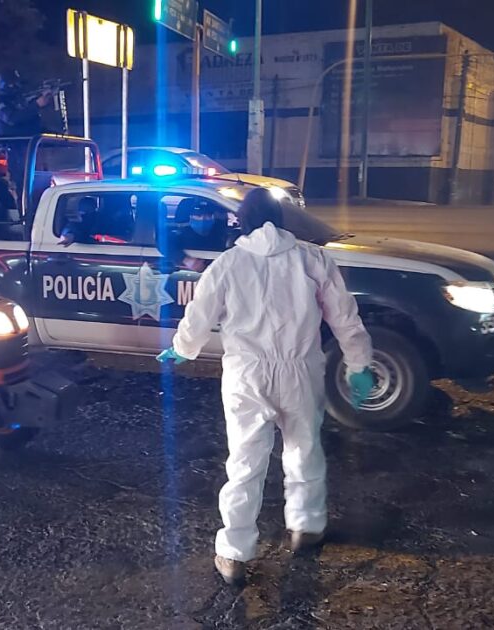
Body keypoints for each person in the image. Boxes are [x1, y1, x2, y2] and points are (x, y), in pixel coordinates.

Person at [156, 187, 375, 587]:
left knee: (244, 462)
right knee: (304, 449)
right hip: (301, 370)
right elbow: (345, 317)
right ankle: (306, 527)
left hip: (246, 374)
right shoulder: (313, 259)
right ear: (283, 218)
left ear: (241, 220)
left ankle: (234, 553)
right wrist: (359, 363)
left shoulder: (227, 264)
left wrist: (179, 349)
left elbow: (198, 317)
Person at [0, 70, 51, 136]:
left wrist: (42, 99)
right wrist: (36, 105)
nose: (18, 87)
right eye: (15, 83)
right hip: (15, 143)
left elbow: (26, 111)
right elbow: (12, 118)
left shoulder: (16, 98)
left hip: (32, 138)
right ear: (9, 85)